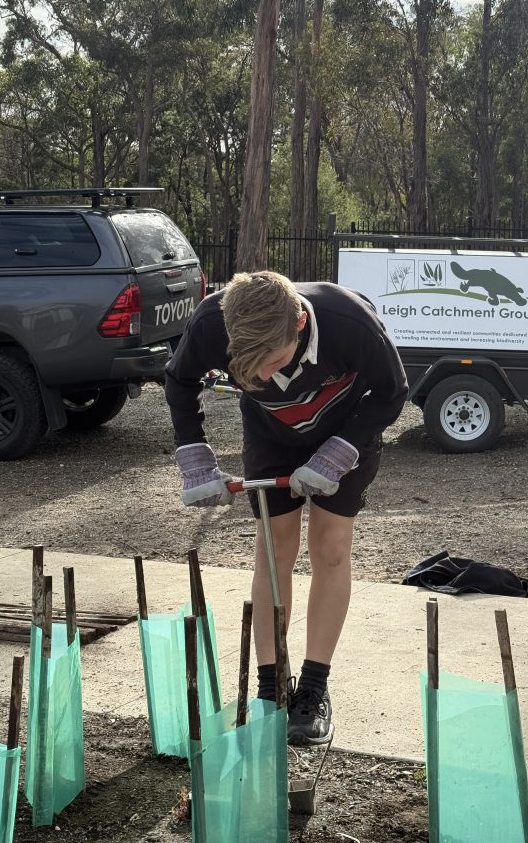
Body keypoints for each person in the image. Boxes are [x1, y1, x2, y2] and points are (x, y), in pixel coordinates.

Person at [165, 270, 408, 745]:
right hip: (270, 434)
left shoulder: (350, 322)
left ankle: (313, 689)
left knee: (330, 546)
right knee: (274, 550)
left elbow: (393, 392)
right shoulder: (212, 321)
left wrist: (339, 453)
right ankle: (272, 686)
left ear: (299, 323)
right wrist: (194, 456)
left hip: (347, 429)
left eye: (271, 361)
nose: (261, 376)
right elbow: (179, 381)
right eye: (248, 367)